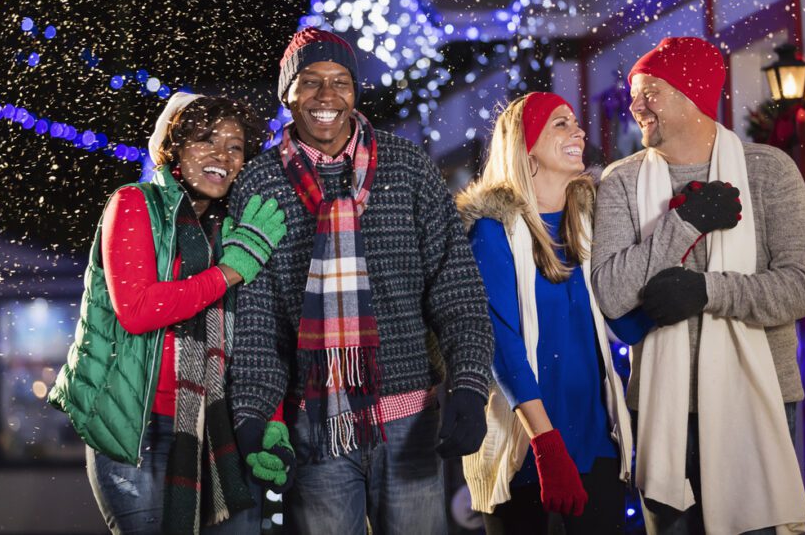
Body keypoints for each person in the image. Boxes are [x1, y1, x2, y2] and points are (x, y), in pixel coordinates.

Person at [226, 27, 494, 534]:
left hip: (412, 420)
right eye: (309, 82)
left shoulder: (407, 167)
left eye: (340, 81)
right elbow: (258, 320)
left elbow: (456, 289)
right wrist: (252, 416)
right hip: (316, 427)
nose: (326, 96)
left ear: (355, 92)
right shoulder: (260, 182)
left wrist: (469, 384)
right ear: (287, 94)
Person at [590, 37, 805, 534]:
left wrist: (707, 292)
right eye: (634, 93)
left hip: (758, 398)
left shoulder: (769, 172)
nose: (635, 105)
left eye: (649, 91)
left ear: (691, 92)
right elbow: (610, 293)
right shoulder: (621, 182)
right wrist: (684, 223)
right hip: (661, 408)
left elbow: (804, 287)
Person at [49, 92, 292, 535]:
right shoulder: (134, 204)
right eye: (205, 139)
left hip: (221, 434)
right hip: (138, 431)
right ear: (173, 149)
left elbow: (259, 333)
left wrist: (270, 421)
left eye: (235, 145)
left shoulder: (242, 227)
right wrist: (229, 273)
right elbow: (139, 310)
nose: (222, 154)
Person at [456, 92, 652, 534]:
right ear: (527, 147)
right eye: (560, 124)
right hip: (525, 445)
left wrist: (670, 281)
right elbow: (501, 346)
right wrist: (546, 443)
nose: (578, 131)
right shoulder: (492, 233)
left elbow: (621, 321)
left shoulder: (589, 223)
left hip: (596, 435)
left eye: (576, 122)